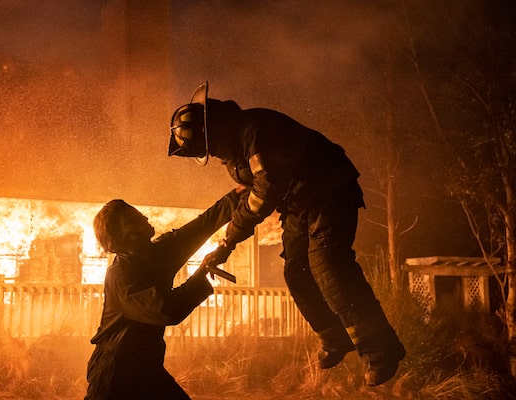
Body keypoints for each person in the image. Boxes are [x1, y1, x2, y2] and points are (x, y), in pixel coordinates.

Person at [167, 81, 405, 386]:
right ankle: (335, 338)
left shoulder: (254, 131)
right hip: (299, 204)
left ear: (212, 129)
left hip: (329, 191)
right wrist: (224, 241)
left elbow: (265, 192)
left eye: (209, 146)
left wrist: (229, 241)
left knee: (328, 264)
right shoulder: (236, 151)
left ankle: (381, 349)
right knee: (296, 272)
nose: (212, 153)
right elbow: (248, 194)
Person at [85, 187, 243, 399]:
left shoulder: (158, 252)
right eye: (134, 219)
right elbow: (166, 310)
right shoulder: (121, 277)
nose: (145, 218)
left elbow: (202, 225)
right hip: (115, 375)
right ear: (124, 236)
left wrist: (237, 195)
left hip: (147, 369)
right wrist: (200, 274)